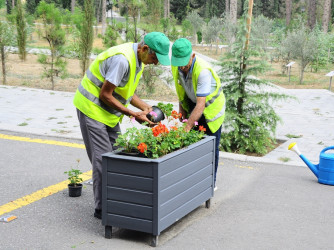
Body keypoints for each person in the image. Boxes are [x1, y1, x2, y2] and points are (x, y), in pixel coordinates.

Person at [73, 32, 170, 219]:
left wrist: (145, 107)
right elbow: (106, 94)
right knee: (103, 160)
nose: (156, 63)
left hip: (108, 114)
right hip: (91, 108)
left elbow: (126, 92)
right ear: (144, 49)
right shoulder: (122, 60)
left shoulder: (139, 61)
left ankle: (117, 200)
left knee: (119, 154)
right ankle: (103, 210)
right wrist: (133, 114)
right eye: (155, 57)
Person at [170, 38, 225, 188]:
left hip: (211, 110)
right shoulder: (176, 66)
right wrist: (182, 118)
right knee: (191, 148)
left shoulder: (203, 71)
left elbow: (201, 104)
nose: (181, 66)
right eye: (178, 62)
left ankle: (209, 185)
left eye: (184, 62)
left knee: (210, 149)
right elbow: (181, 93)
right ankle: (192, 184)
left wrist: (187, 128)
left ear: (193, 56)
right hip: (194, 105)